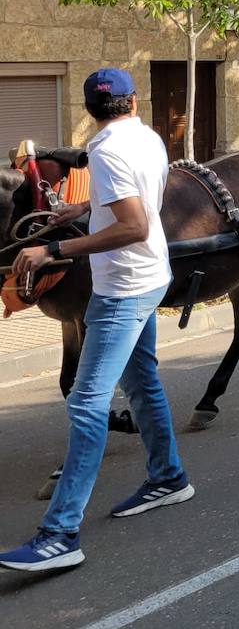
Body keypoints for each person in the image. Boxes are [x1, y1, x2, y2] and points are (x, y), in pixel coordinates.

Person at [1, 69, 192, 572]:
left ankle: (61, 533)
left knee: (86, 402)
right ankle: (168, 477)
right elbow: (143, 196)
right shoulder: (147, 136)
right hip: (151, 276)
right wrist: (83, 208)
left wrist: (54, 248)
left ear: (88, 107)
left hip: (122, 288)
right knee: (143, 380)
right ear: (133, 100)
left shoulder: (104, 149)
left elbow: (134, 223)